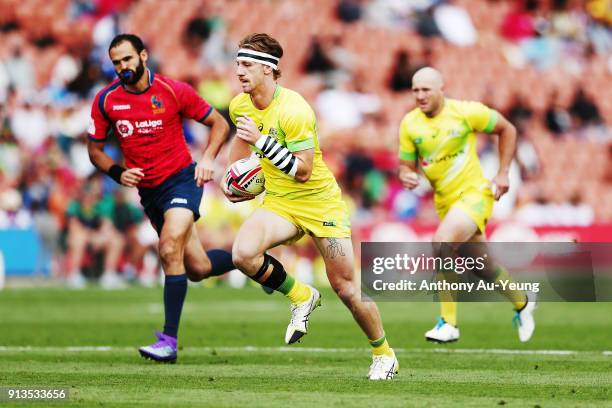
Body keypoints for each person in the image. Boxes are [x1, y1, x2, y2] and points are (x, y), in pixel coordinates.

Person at [223, 33, 398, 380]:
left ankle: (384, 354)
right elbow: (239, 153)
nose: (239, 71)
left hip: (321, 205)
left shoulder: (295, 109)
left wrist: (261, 141)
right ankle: (302, 295)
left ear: (269, 71)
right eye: (238, 64)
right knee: (242, 254)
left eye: (247, 65)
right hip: (279, 202)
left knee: (346, 287)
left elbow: (302, 172)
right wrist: (232, 182)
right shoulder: (239, 106)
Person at [87, 34, 235, 363]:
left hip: (183, 180)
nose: (122, 67)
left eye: (127, 59)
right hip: (149, 192)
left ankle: (168, 340)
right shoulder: (106, 101)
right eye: (116, 62)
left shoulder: (172, 90)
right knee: (199, 268)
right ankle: (249, 257)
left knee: (168, 246)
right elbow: (94, 150)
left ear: (143, 55)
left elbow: (219, 123)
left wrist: (209, 158)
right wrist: (116, 172)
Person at [398, 67, 537, 343]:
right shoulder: (409, 124)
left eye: (426, 89)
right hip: (445, 203)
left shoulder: (465, 112)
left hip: (474, 194)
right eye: (415, 90)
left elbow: (506, 128)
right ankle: (522, 302)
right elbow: (405, 165)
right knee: (481, 266)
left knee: (441, 244)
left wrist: (503, 172)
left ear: (441, 89)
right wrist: (407, 175)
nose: (420, 95)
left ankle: (448, 323)